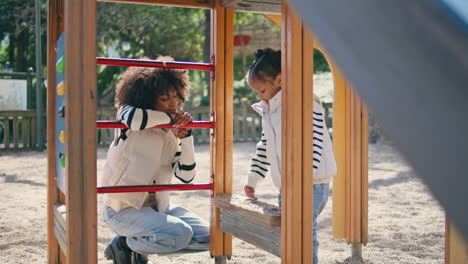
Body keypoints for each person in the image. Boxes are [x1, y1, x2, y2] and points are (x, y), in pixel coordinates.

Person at [101, 57, 209, 264]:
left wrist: (186, 137)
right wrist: (175, 120)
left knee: (212, 236)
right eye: (165, 98)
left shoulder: (170, 132)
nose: (173, 103)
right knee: (179, 233)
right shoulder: (126, 114)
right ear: (147, 98)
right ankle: (125, 244)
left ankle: (128, 243)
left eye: (176, 97)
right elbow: (135, 119)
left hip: (159, 207)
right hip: (123, 209)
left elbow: (187, 177)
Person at [243, 48, 337, 264]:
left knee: (303, 233)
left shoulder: (305, 103)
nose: (259, 96)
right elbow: (265, 145)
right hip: (287, 185)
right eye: (256, 92)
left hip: (311, 184)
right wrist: (253, 178)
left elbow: (315, 142)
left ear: (280, 79)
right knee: (288, 232)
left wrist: (302, 180)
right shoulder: (270, 110)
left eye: (262, 90)